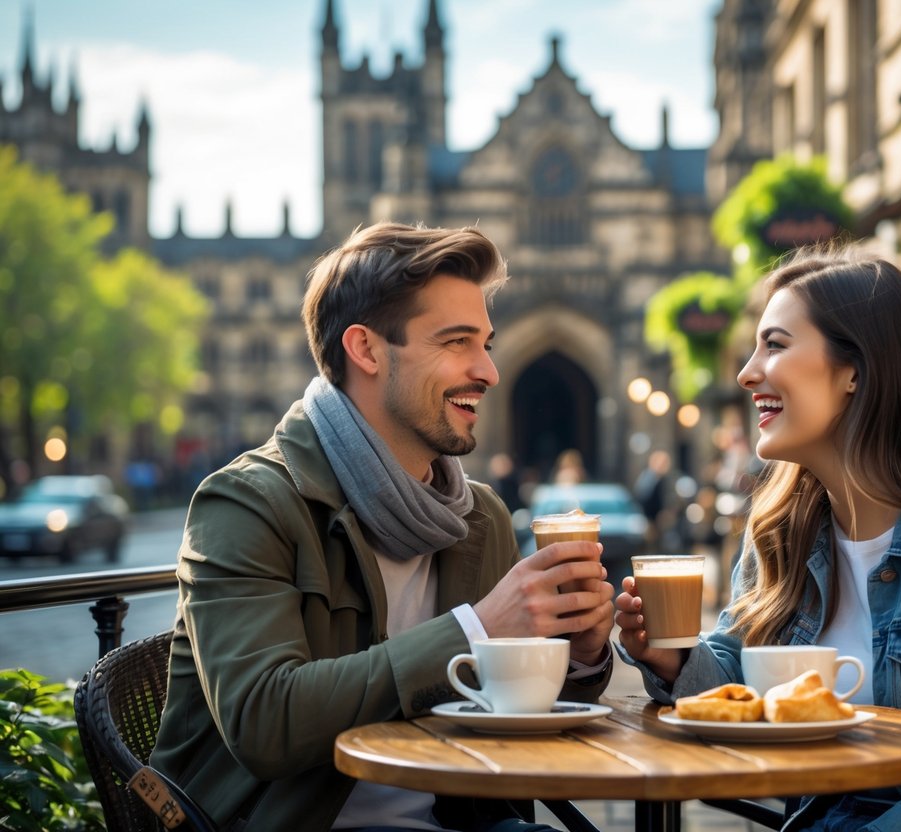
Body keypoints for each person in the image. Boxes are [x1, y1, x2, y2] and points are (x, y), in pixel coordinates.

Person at [151, 222, 615, 832]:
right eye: (456, 342)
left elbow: (519, 712)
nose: (488, 372)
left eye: (488, 344)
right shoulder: (245, 502)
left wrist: (581, 655)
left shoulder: (481, 517)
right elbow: (265, 724)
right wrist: (476, 629)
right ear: (366, 350)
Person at [615, 249, 901, 831]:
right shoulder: (782, 526)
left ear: (855, 370)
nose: (747, 372)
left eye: (774, 345)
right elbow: (740, 686)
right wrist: (672, 659)